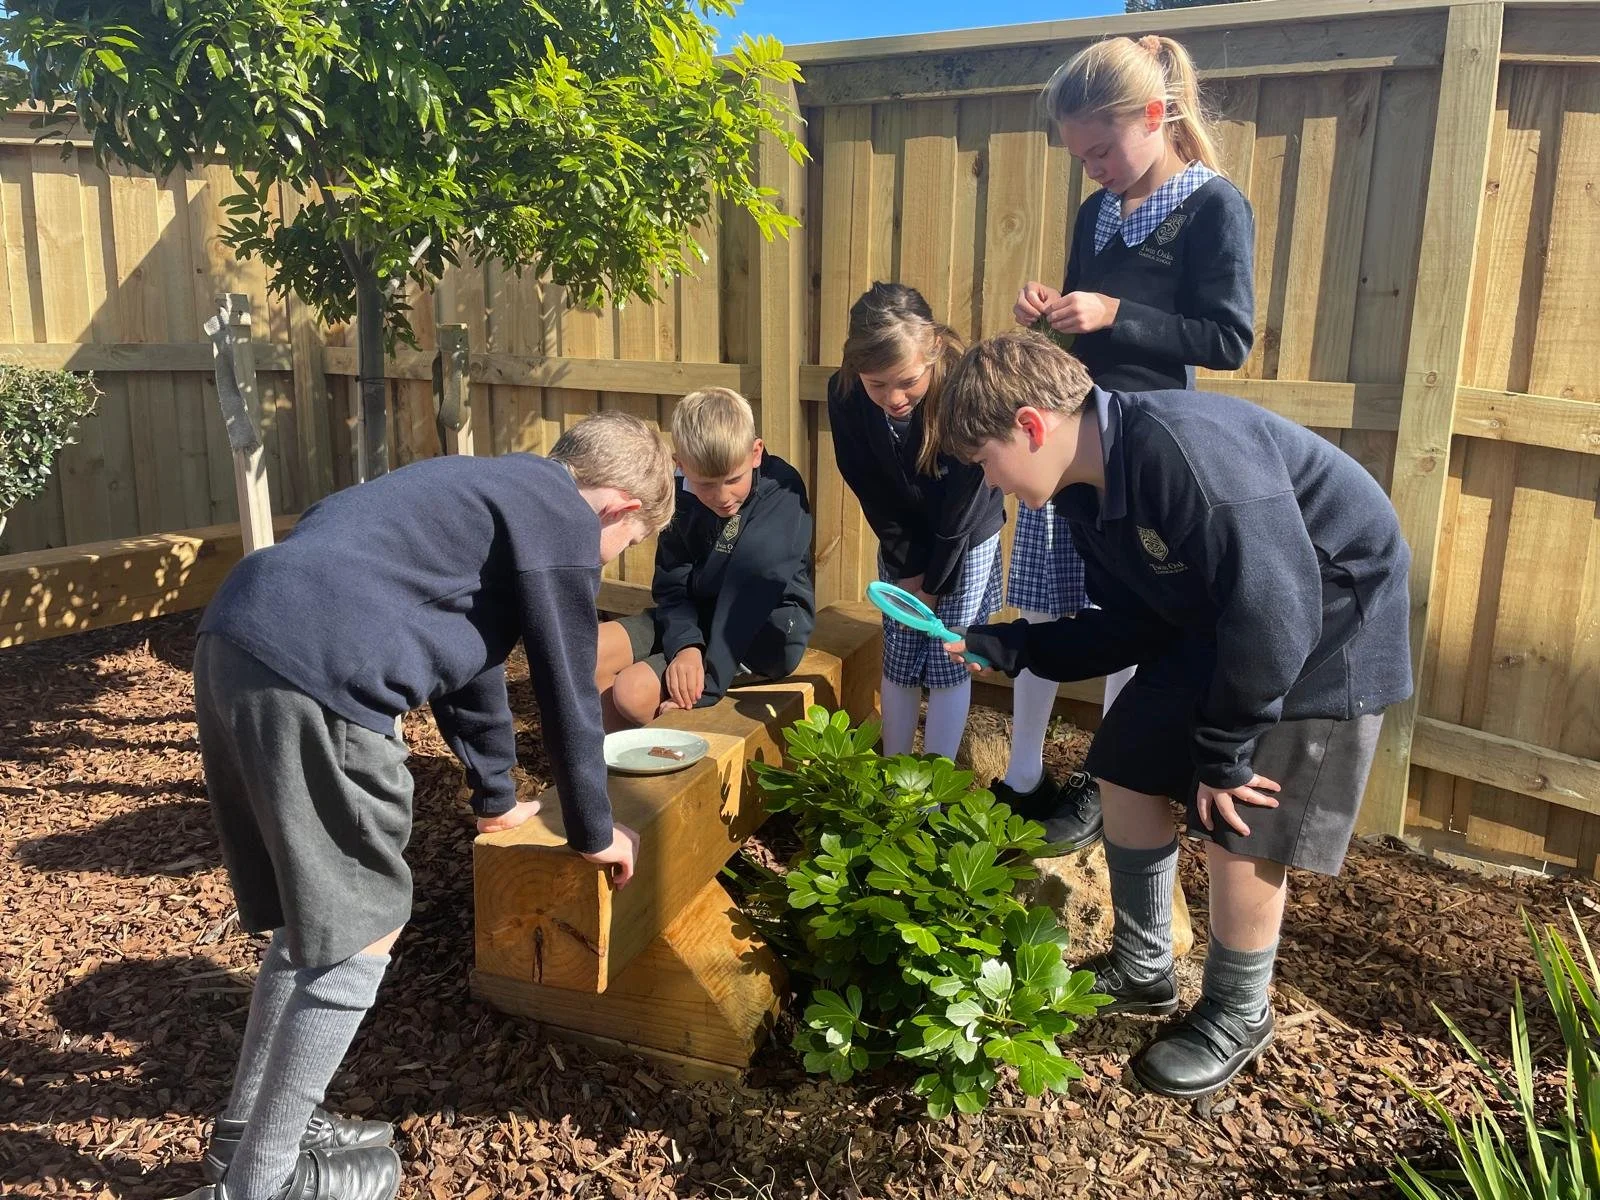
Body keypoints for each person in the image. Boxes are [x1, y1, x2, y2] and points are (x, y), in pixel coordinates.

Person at [186, 412, 673, 1200]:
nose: (614, 558)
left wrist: (496, 796)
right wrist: (591, 829)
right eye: (629, 542)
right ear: (617, 506)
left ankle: (244, 1140)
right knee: (361, 930)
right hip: (324, 676)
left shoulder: (479, 488)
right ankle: (259, 1186)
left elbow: (470, 657)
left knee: (313, 919)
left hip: (235, 637)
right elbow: (566, 682)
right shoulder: (558, 516)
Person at [940, 332, 1411, 1098]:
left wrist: (1225, 751)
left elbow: (1279, 608)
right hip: (1228, 618)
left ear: (1031, 425)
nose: (988, 481)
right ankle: (1144, 966)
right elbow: (1135, 622)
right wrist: (1016, 645)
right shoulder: (1086, 495)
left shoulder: (1183, 453)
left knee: (1240, 811)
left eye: (985, 460)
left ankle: (1236, 1010)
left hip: (1328, 620)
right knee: (1123, 763)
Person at [998, 33, 1256, 852]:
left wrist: (1114, 313)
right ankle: (1023, 771)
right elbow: (1086, 339)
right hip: (1069, 436)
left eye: (1101, 150)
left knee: (1131, 617)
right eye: (1081, 156)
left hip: (1145, 451)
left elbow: (1227, 339)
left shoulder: (1213, 205)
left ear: (1156, 115)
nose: (1093, 168)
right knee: (1042, 594)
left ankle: (1105, 781)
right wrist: (1053, 315)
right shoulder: (1097, 212)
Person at [828, 282, 1006, 761]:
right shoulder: (845, 393)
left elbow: (963, 504)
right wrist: (908, 569)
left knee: (950, 658)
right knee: (901, 655)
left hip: (965, 536)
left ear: (933, 351)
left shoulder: (964, 392)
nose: (894, 397)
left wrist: (935, 581)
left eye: (907, 381)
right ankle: (896, 772)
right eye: (877, 384)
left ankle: (936, 781)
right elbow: (868, 484)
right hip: (901, 534)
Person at [596, 387, 815, 727]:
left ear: (755, 453)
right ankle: (606, 772)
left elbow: (750, 595)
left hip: (762, 632)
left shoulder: (781, 492)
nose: (722, 496)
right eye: (706, 484)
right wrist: (686, 644)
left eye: (732, 480)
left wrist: (708, 683)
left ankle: (659, 769)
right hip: (700, 619)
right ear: (681, 465)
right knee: (590, 652)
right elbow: (672, 584)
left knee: (633, 692)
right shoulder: (680, 495)